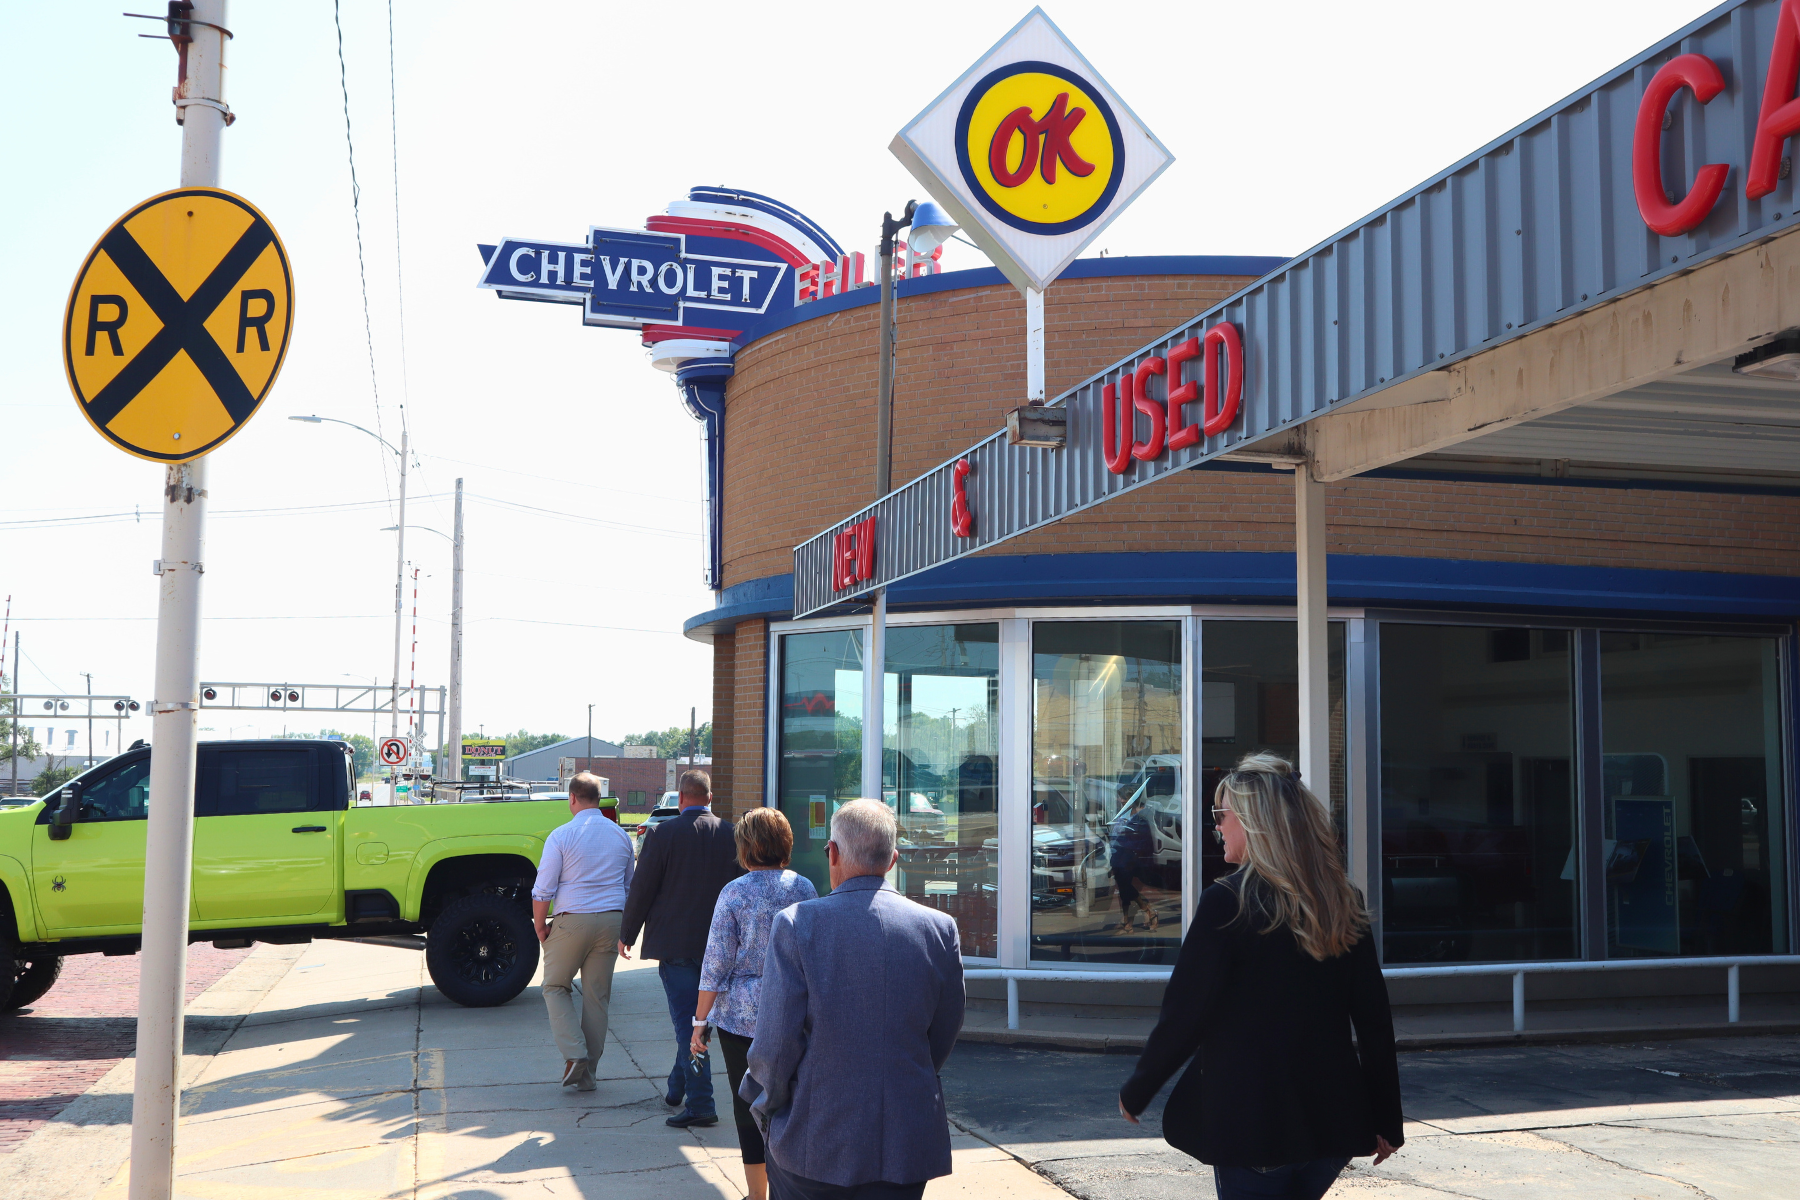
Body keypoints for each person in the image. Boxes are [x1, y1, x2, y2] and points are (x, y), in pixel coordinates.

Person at [1117, 753, 1402, 1200]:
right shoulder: (1341, 898)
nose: (1217, 826)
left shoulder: (1226, 903)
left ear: (1253, 822)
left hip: (1254, 1125)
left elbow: (1186, 1013)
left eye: (1221, 814)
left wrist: (1138, 1089)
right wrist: (1385, 1119)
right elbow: (1373, 1020)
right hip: (1331, 1126)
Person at [742, 799, 964, 1200]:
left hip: (814, 1140)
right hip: (906, 1139)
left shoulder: (797, 924)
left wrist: (766, 1109)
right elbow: (942, 1034)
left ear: (833, 852)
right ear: (893, 859)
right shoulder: (940, 928)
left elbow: (775, 1046)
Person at [689, 808, 817, 1200]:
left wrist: (699, 1021)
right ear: (785, 842)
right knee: (793, 1102)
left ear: (745, 847)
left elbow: (715, 964)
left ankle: (757, 1194)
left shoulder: (734, 893)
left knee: (748, 1104)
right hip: (794, 1011)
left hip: (741, 1019)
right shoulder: (805, 888)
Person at [619, 768, 743, 1128]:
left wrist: (627, 932)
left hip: (676, 946)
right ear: (709, 797)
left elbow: (643, 888)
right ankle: (677, 1088)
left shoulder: (663, 833)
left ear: (681, 797)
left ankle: (701, 1103)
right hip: (722, 948)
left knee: (692, 1025)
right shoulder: (731, 834)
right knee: (695, 1023)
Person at [531, 771, 636, 1091]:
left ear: (572, 798)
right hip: (612, 920)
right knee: (596, 997)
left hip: (571, 919)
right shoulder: (620, 836)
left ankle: (575, 1054)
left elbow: (543, 890)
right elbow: (630, 886)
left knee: (554, 987)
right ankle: (587, 1076)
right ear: (599, 798)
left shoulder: (561, 835)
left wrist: (539, 926)